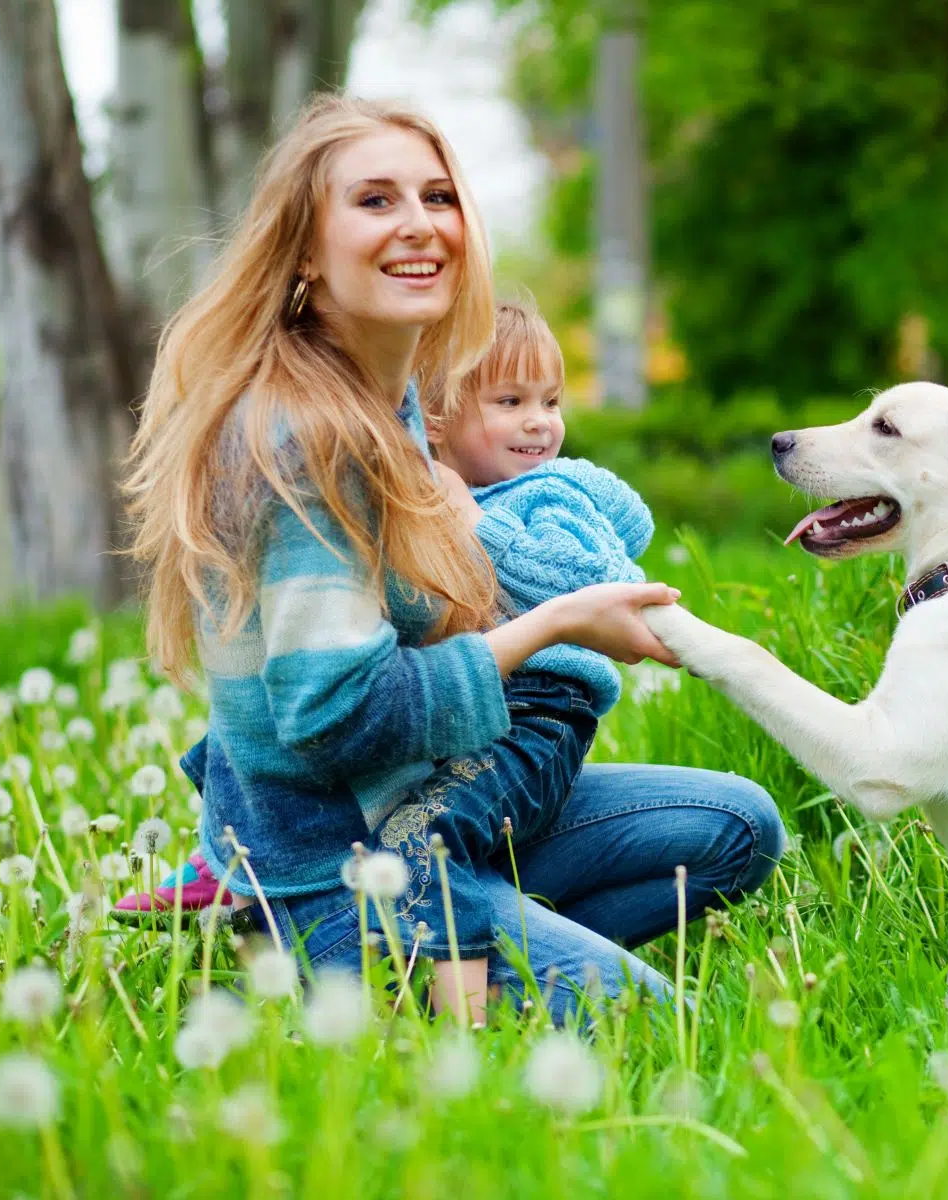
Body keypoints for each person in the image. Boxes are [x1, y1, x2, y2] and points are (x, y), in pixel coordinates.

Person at [122, 94, 784, 1024]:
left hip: (432, 814)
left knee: (738, 828)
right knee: (648, 1023)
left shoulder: (389, 406)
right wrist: (554, 624)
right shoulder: (303, 437)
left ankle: (479, 940)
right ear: (306, 251)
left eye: (437, 196)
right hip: (345, 861)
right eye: (376, 202)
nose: (420, 224)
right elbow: (332, 718)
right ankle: (360, 952)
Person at [120, 298, 654, 954]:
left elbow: (593, 581)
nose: (540, 424)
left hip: (539, 711)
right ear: (435, 419)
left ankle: (470, 967)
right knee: (259, 701)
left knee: (432, 837)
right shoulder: (414, 480)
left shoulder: (550, 493)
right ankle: (234, 856)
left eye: (551, 401)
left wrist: (478, 526)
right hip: (461, 713)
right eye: (510, 403)